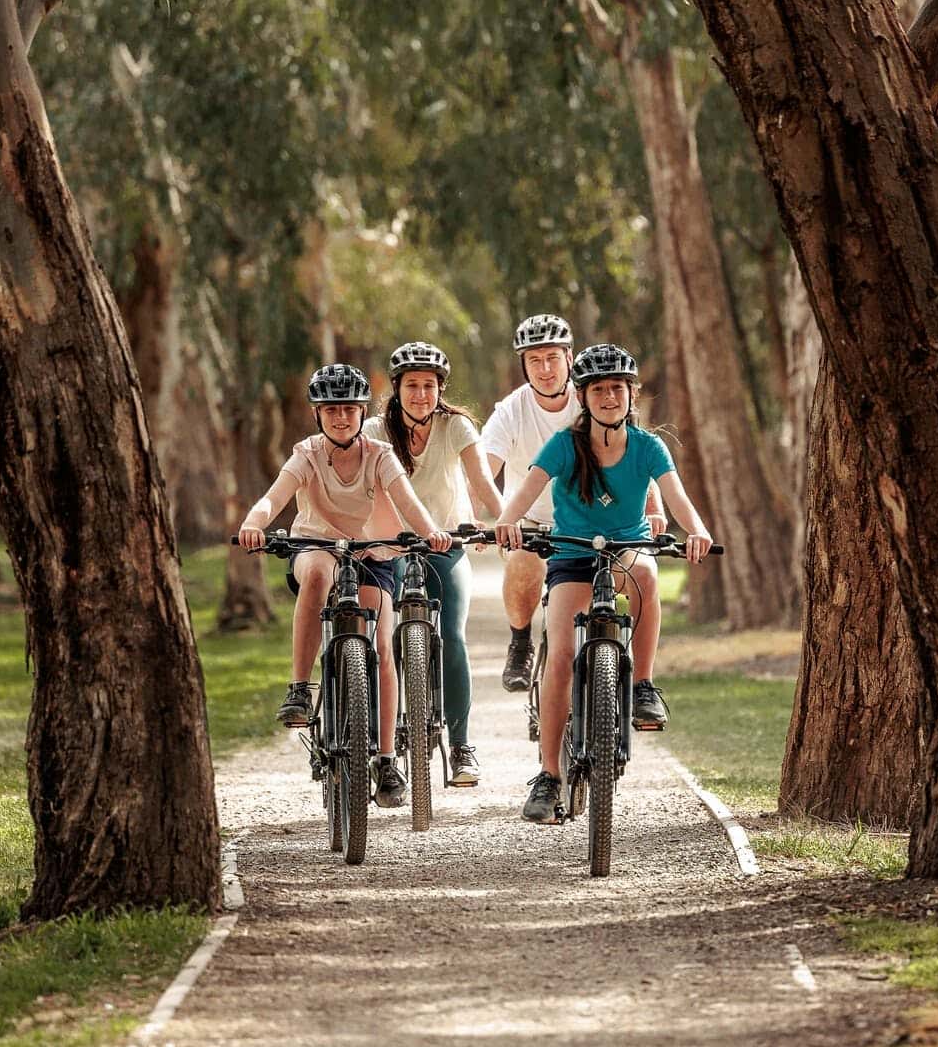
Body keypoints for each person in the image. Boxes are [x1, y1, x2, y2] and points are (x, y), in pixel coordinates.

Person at [492, 344, 714, 824]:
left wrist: (696, 530)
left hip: (626, 547)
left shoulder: (647, 446)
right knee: (562, 659)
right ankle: (549, 776)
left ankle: (643, 686)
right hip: (572, 552)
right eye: (599, 389)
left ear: (631, 395)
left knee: (647, 574)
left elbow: (677, 497)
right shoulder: (565, 445)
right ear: (584, 396)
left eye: (618, 388)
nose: (610, 396)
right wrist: (507, 523)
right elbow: (528, 488)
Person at [236, 364, 452, 810]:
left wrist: (431, 532)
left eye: (350, 410)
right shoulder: (307, 454)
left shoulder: (379, 454)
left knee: (385, 646)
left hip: (373, 553)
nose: (341, 419)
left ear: (361, 413)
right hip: (317, 546)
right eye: (331, 410)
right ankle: (299, 687)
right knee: (316, 572)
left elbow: (409, 503)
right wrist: (254, 523)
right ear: (318, 415)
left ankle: (388, 759)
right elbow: (273, 497)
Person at [479, 315, 665, 692]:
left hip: (592, 522)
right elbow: (484, 471)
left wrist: (654, 507)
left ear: (569, 357)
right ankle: (519, 642)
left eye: (552, 358)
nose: (545, 369)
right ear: (523, 365)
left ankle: (631, 675)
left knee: (634, 574)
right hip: (529, 520)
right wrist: (496, 520)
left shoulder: (593, 398)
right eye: (534, 360)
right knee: (522, 562)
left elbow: (636, 456)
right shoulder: (511, 412)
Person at [364, 341, 505, 788]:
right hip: (392, 545)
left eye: (429, 385)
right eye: (411, 385)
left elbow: (483, 483)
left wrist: (505, 524)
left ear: (440, 389)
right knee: (379, 636)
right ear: (397, 389)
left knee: (454, 634)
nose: (420, 394)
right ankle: (375, 740)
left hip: (448, 541)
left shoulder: (457, 426)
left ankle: (462, 746)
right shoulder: (374, 429)